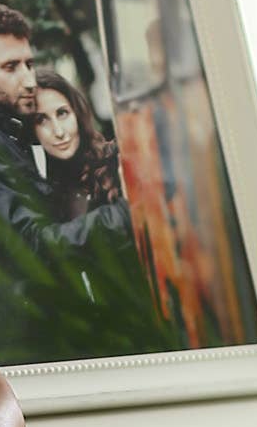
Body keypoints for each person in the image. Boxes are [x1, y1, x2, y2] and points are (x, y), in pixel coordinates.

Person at [0, 0, 131, 365]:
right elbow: (34, 245)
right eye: (11, 67)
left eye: (29, 63)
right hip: (22, 344)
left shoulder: (4, 128)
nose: (28, 79)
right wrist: (127, 216)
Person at [31, 68, 170, 357]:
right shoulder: (47, 199)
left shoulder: (118, 159)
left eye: (62, 113)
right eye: (41, 120)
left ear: (77, 113)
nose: (57, 131)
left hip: (162, 321)